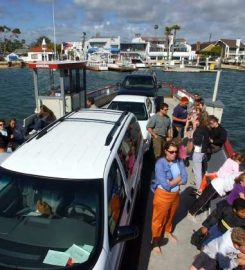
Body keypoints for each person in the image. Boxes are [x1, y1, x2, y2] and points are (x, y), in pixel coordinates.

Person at [151, 142, 188, 254]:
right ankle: (155, 241)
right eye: (171, 152)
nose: (174, 154)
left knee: (171, 215)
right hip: (163, 195)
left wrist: (173, 182)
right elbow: (166, 186)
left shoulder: (179, 161)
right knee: (158, 219)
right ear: (165, 151)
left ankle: (168, 231)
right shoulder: (160, 164)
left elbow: (185, 179)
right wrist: (178, 180)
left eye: (176, 152)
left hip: (175, 195)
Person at [191, 117, 210, 191]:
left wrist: (194, 128)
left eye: (195, 119)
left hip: (198, 151)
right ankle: (198, 185)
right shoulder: (205, 128)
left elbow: (197, 142)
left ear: (198, 121)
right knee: (198, 169)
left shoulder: (199, 129)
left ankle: (199, 189)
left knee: (197, 170)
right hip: (203, 151)